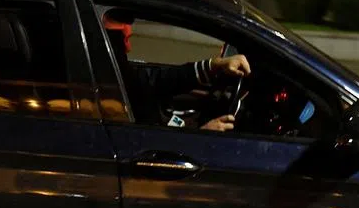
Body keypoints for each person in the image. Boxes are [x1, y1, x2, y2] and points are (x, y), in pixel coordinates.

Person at [104, 14, 251, 132]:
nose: (128, 48)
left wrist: (213, 65)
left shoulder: (118, 81)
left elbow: (154, 81)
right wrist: (202, 135)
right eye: (125, 39)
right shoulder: (106, 97)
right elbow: (148, 149)